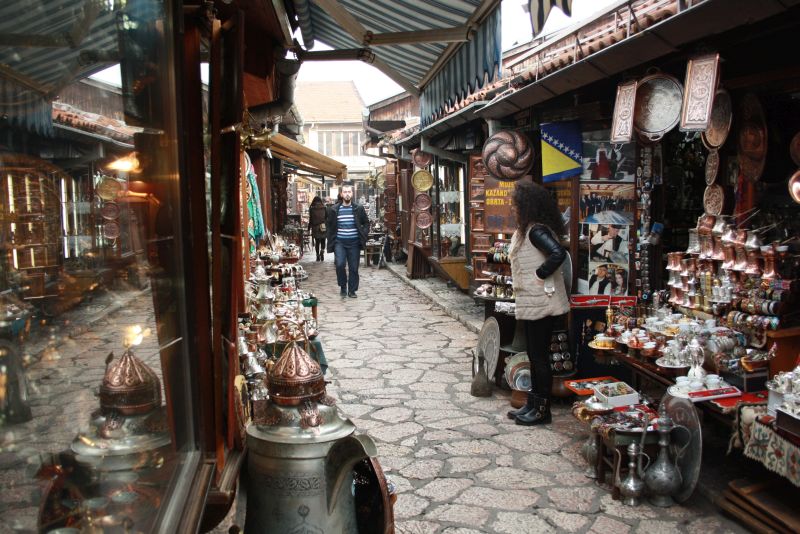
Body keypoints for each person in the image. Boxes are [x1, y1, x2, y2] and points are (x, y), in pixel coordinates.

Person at [506, 181, 570, 426]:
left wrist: (540, 274)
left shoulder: (536, 231)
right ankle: (533, 403)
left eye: (516, 205)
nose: (514, 209)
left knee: (540, 356)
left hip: (543, 301)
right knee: (535, 355)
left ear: (527, 206)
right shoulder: (529, 230)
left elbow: (558, 253)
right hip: (534, 301)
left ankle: (542, 409)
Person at [326, 184, 369, 298]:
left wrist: (364, 234)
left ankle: (352, 290)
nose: (347, 194)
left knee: (354, 267)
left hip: (354, 242)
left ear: (352, 193)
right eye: (345, 192)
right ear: (341, 194)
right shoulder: (335, 209)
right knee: (340, 265)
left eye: (349, 192)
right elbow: (329, 225)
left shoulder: (358, 208)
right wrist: (331, 239)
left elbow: (366, 223)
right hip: (339, 242)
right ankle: (343, 287)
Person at [308, 196, 327, 261]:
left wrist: (309, 227)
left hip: (315, 227)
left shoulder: (312, 208)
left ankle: (317, 255)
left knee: (317, 242)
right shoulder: (324, 208)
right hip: (323, 226)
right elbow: (326, 217)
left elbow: (310, 219)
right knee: (323, 240)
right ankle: (322, 251)